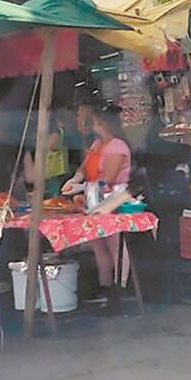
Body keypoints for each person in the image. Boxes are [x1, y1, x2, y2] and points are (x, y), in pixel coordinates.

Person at [62, 104, 131, 301]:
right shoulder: (96, 145)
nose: (93, 127)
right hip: (94, 200)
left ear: (103, 124)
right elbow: (85, 168)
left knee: (114, 244)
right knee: (98, 245)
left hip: (114, 200)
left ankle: (121, 287)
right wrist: (76, 178)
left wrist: (82, 187)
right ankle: (105, 285)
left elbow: (108, 178)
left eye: (95, 123)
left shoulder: (117, 146)